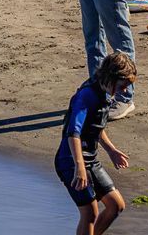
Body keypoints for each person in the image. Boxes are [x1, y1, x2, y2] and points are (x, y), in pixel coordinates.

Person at [55, 52, 136, 234]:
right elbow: (73, 133)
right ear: (111, 77)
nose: (124, 91)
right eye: (123, 86)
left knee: (116, 205)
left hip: (90, 160)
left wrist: (111, 150)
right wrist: (80, 167)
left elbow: (95, 128)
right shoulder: (87, 95)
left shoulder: (106, 92)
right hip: (70, 161)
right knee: (90, 213)